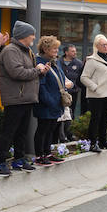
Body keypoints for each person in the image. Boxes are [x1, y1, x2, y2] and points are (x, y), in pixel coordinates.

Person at [0, 21, 43, 176]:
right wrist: (37, 70)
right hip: (15, 98)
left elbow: (27, 72)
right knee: (9, 131)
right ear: (24, 36)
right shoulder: (10, 50)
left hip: (26, 97)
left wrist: (40, 71)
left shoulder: (26, 50)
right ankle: (0, 161)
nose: (34, 37)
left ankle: (19, 159)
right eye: (32, 34)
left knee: (21, 132)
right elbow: (17, 73)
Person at [80, 34, 107, 153]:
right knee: (95, 118)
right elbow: (84, 77)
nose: (106, 46)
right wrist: (95, 88)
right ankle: (93, 143)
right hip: (96, 95)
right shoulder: (92, 60)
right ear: (97, 46)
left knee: (105, 118)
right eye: (103, 44)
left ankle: (103, 140)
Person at [33, 36, 65, 165]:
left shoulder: (53, 62)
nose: (57, 51)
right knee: (43, 129)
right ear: (45, 49)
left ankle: (48, 153)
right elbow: (41, 86)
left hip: (55, 102)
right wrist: (50, 101)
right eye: (54, 48)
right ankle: (39, 155)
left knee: (51, 129)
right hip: (46, 103)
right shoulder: (39, 62)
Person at [60, 44, 85, 116]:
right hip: (61, 91)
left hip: (73, 92)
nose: (75, 53)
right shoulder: (58, 62)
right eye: (72, 51)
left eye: (75, 51)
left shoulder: (79, 63)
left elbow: (81, 77)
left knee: (71, 112)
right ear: (66, 52)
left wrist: (76, 87)